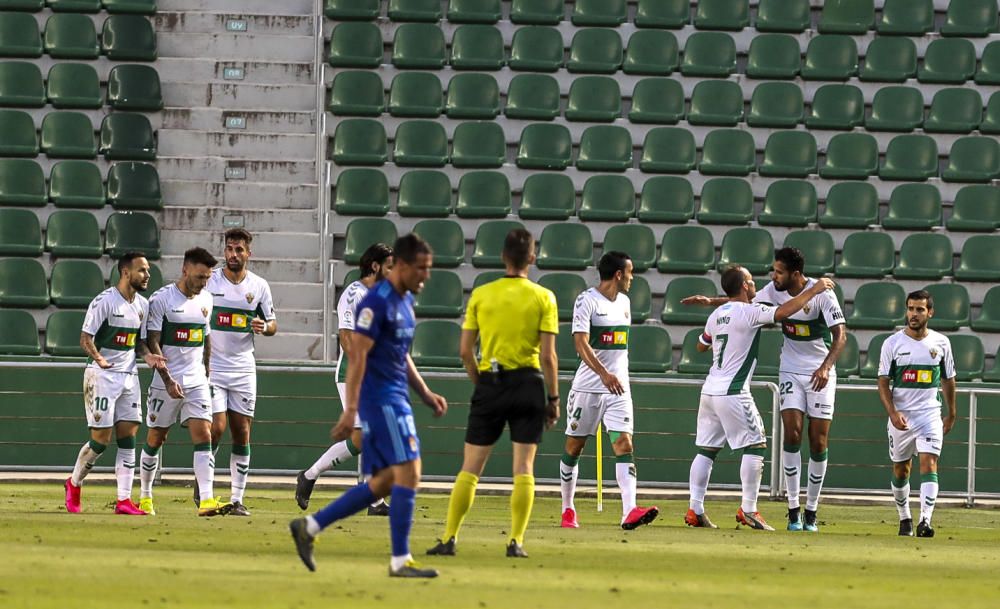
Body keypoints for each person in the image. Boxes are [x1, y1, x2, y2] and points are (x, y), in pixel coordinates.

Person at [289, 234, 447, 578]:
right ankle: (400, 560)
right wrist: (350, 410)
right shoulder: (375, 302)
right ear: (400, 266)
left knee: (384, 482)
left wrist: (424, 392)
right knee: (409, 471)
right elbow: (357, 353)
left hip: (398, 396)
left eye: (429, 269)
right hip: (380, 398)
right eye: (421, 268)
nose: (426, 276)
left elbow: (401, 355)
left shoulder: (404, 301)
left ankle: (310, 527)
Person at [683, 248, 846, 531]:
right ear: (746, 286)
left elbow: (700, 345)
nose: (769, 278)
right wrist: (815, 289)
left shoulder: (719, 314)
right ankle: (751, 509)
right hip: (735, 390)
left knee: (706, 449)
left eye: (777, 271)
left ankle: (695, 509)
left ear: (794, 273)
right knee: (757, 444)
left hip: (710, 389)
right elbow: (782, 312)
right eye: (753, 281)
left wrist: (712, 303)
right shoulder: (752, 311)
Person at [427, 228, 559, 559]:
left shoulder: (482, 294)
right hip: (529, 384)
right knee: (524, 468)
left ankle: (450, 538)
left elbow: (464, 351)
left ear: (503, 257)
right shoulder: (544, 297)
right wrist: (553, 399)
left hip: (491, 382)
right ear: (532, 257)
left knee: (470, 468)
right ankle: (515, 541)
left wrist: (481, 384)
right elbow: (548, 356)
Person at [559, 251, 659, 530]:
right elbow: (580, 344)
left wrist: (613, 378)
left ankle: (629, 511)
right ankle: (568, 508)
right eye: (630, 272)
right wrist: (603, 374)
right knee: (574, 448)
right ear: (618, 274)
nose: (632, 278)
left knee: (623, 444)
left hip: (618, 390)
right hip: (588, 389)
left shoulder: (625, 303)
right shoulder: (586, 300)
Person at [295, 243, 393, 516]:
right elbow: (347, 337)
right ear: (375, 266)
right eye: (389, 266)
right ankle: (310, 474)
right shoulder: (354, 294)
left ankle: (373, 500)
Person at [64, 252, 165, 515]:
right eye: (142, 270)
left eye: (148, 271)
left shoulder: (142, 304)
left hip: (129, 376)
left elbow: (139, 342)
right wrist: (99, 359)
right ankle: (73, 483)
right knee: (100, 440)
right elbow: (85, 338)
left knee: (128, 437)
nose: (147, 275)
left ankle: (123, 500)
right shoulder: (104, 302)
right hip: (102, 376)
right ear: (125, 273)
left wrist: (148, 356)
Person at [138, 247, 230, 517]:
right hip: (166, 380)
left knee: (204, 434)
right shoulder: (162, 299)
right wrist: (166, 379)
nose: (204, 283)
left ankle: (207, 500)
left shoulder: (207, 300)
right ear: (185, 270)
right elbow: (152, 340)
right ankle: (145, 496)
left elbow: (206, 335)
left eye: (207, 278)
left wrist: (206, 369)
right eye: (200, 277)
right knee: (157, 437)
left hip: (196, 380)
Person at [203, 228, 277, 516]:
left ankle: (237, 499)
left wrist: (265, 327)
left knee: (242, 432)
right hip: (214, 367)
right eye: (229, 249)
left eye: (239, 250)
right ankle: (205, 484)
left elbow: (272, 323)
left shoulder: (259, 286)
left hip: (244, 368)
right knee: (216, 427)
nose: (233, 254)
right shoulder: (211, 282)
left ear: (249, 253)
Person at [878, 290, 957, 538]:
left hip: (930, 415)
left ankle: (925, 520)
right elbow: (882, 382)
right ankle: (905, 518)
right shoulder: (892, 343)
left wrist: (952, 412)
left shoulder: (941, 343)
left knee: (929, 462)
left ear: (930, 312)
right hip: (901, 418)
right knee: (901, 470)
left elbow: (948, 379)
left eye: (920, 309)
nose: (914, 314)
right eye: (910, 308)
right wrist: (892, 412)